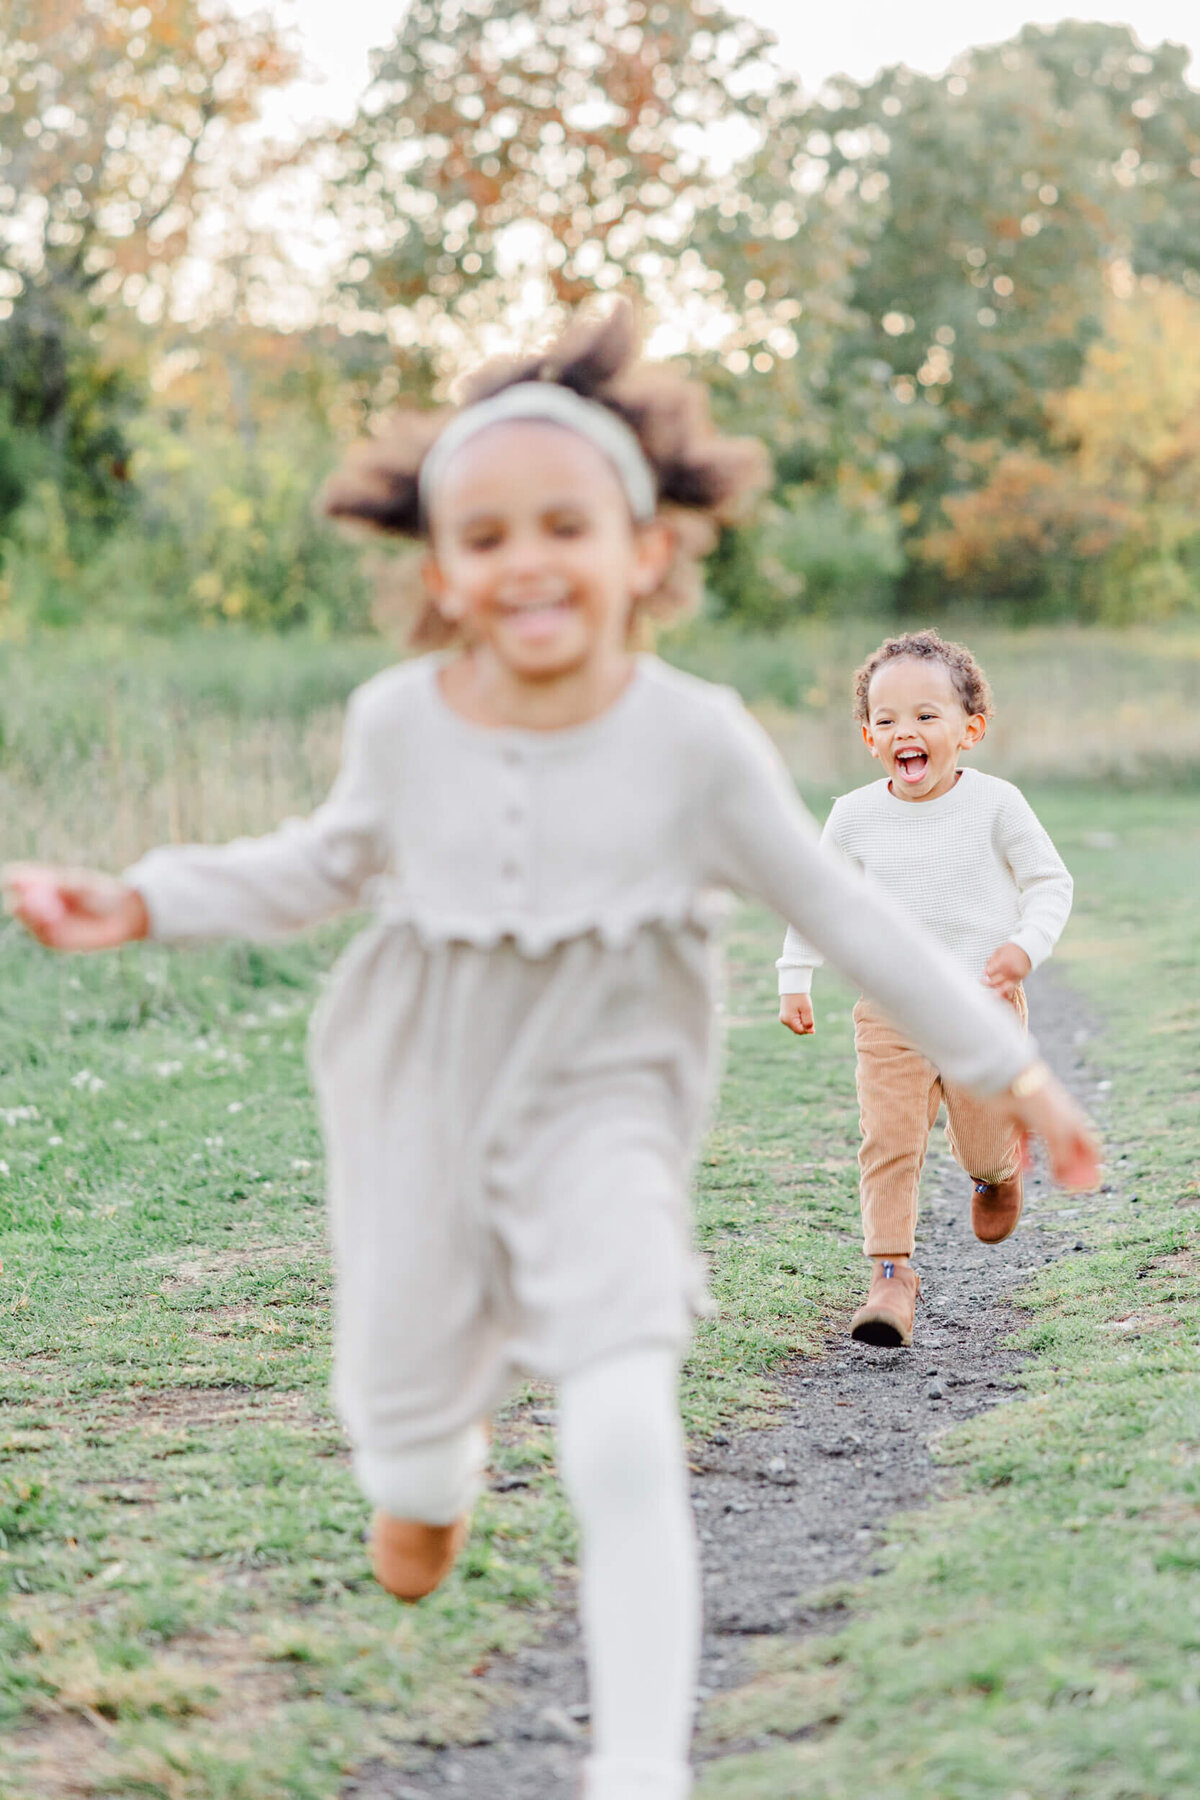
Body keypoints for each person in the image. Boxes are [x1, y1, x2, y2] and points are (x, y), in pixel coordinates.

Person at [4, 310, 1096, 1800]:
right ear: (443, 570)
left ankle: (640, 1770)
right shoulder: (400, 723)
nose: (528, 559)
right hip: (419, 1099)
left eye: (566, 524)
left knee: (624, 1401)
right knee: (402, 1459)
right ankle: (426, 1469)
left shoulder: (696, 740)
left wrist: (1015, 1069)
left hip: (610, 1104)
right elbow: (310, 866)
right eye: (488, 533)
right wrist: (139, 899)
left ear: (644, 551)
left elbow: (850, 915)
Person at [778, 630, 1075, 1351]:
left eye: (925, 716)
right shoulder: (853, 815)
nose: (904, 731)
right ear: (867, 736)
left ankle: (996, 1174)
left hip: (981, 1007)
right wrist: (796, 974)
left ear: (970, 730)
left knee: (979, 1144)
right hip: (890, 1009)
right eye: (886, 720)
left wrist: (1022, 947)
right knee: (887, 1138)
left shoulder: (998, 805)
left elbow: (1049, 883)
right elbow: (821, 901)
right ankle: (890, 1273)